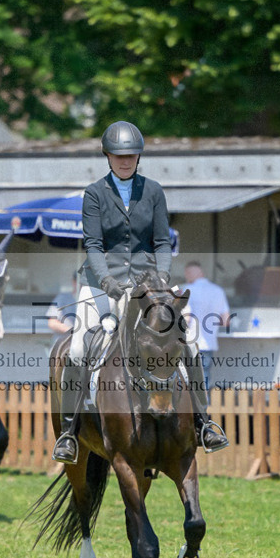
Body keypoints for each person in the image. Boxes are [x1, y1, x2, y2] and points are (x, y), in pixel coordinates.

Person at [52, 120, 228, 464]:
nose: (124, 160)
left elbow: (162, 241)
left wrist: (160, 279)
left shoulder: (154, 191)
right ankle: (70, 432)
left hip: (149, 285)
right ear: (107, 156)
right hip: (101, 283)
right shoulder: (94, 193)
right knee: (76, 348)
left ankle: (205, 423)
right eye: (118, 155)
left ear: (138, 157)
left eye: (131, 155)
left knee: (188, 342)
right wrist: (108, 283)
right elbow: (93, 244)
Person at [183, 261, 232, 390]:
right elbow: (226, 320)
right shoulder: (218, 290)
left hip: (189, 343)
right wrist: (210, 323)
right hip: (208, 344)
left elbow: (186, 319)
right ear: (202, 272)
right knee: (204, 380)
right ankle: (204, 408)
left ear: (189, 274)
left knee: (187, 381)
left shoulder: (187, 290)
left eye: (186, 273)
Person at [47, 273, 78, 347]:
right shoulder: (62, 298)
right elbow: (52, 322)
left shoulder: (91, 300)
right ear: (74, 282)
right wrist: (71, 332)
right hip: (62, 346)